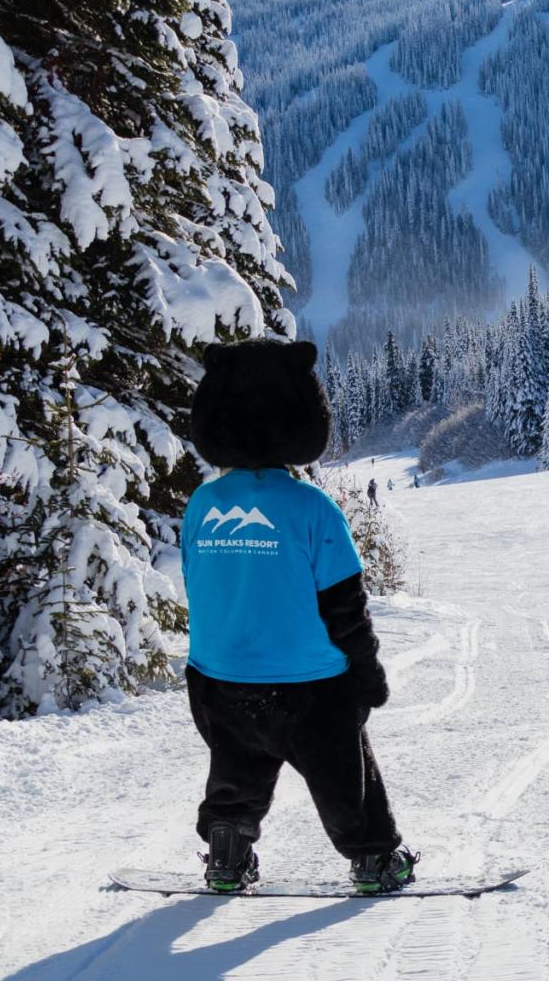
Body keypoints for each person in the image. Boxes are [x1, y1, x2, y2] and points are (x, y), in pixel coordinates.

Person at [182, 339, 415, 894]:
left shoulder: (200, 505)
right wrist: (367, 675)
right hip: (309, 683)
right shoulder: (314, 508)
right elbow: (345, 607)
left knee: (235, 776)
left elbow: (201, 587)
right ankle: (375, 861)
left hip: (219, 678)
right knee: (345, 778)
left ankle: (227, 857)